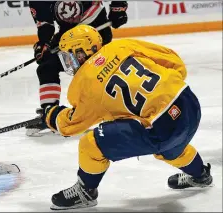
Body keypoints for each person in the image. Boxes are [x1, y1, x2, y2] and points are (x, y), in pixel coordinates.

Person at [42, 24, 213, 210]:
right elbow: (172, 60)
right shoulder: (120, 46)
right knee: (172, 147)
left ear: (81, 53)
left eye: (69, 56)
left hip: (163, 128)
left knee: (90, 143)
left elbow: (72, 124)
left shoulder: (84, 83)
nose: (68, 63)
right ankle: (200, 175)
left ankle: (85, 192)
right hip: (188, 102)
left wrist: (52, 116)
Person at [26, 1, 128, 136]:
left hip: (96, 31)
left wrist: (117, 9)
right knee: (47, 66)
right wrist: (44, 43)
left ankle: (122, 108)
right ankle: (49, 113)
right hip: (69, 37)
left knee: (100, 70)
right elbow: (46, 24)